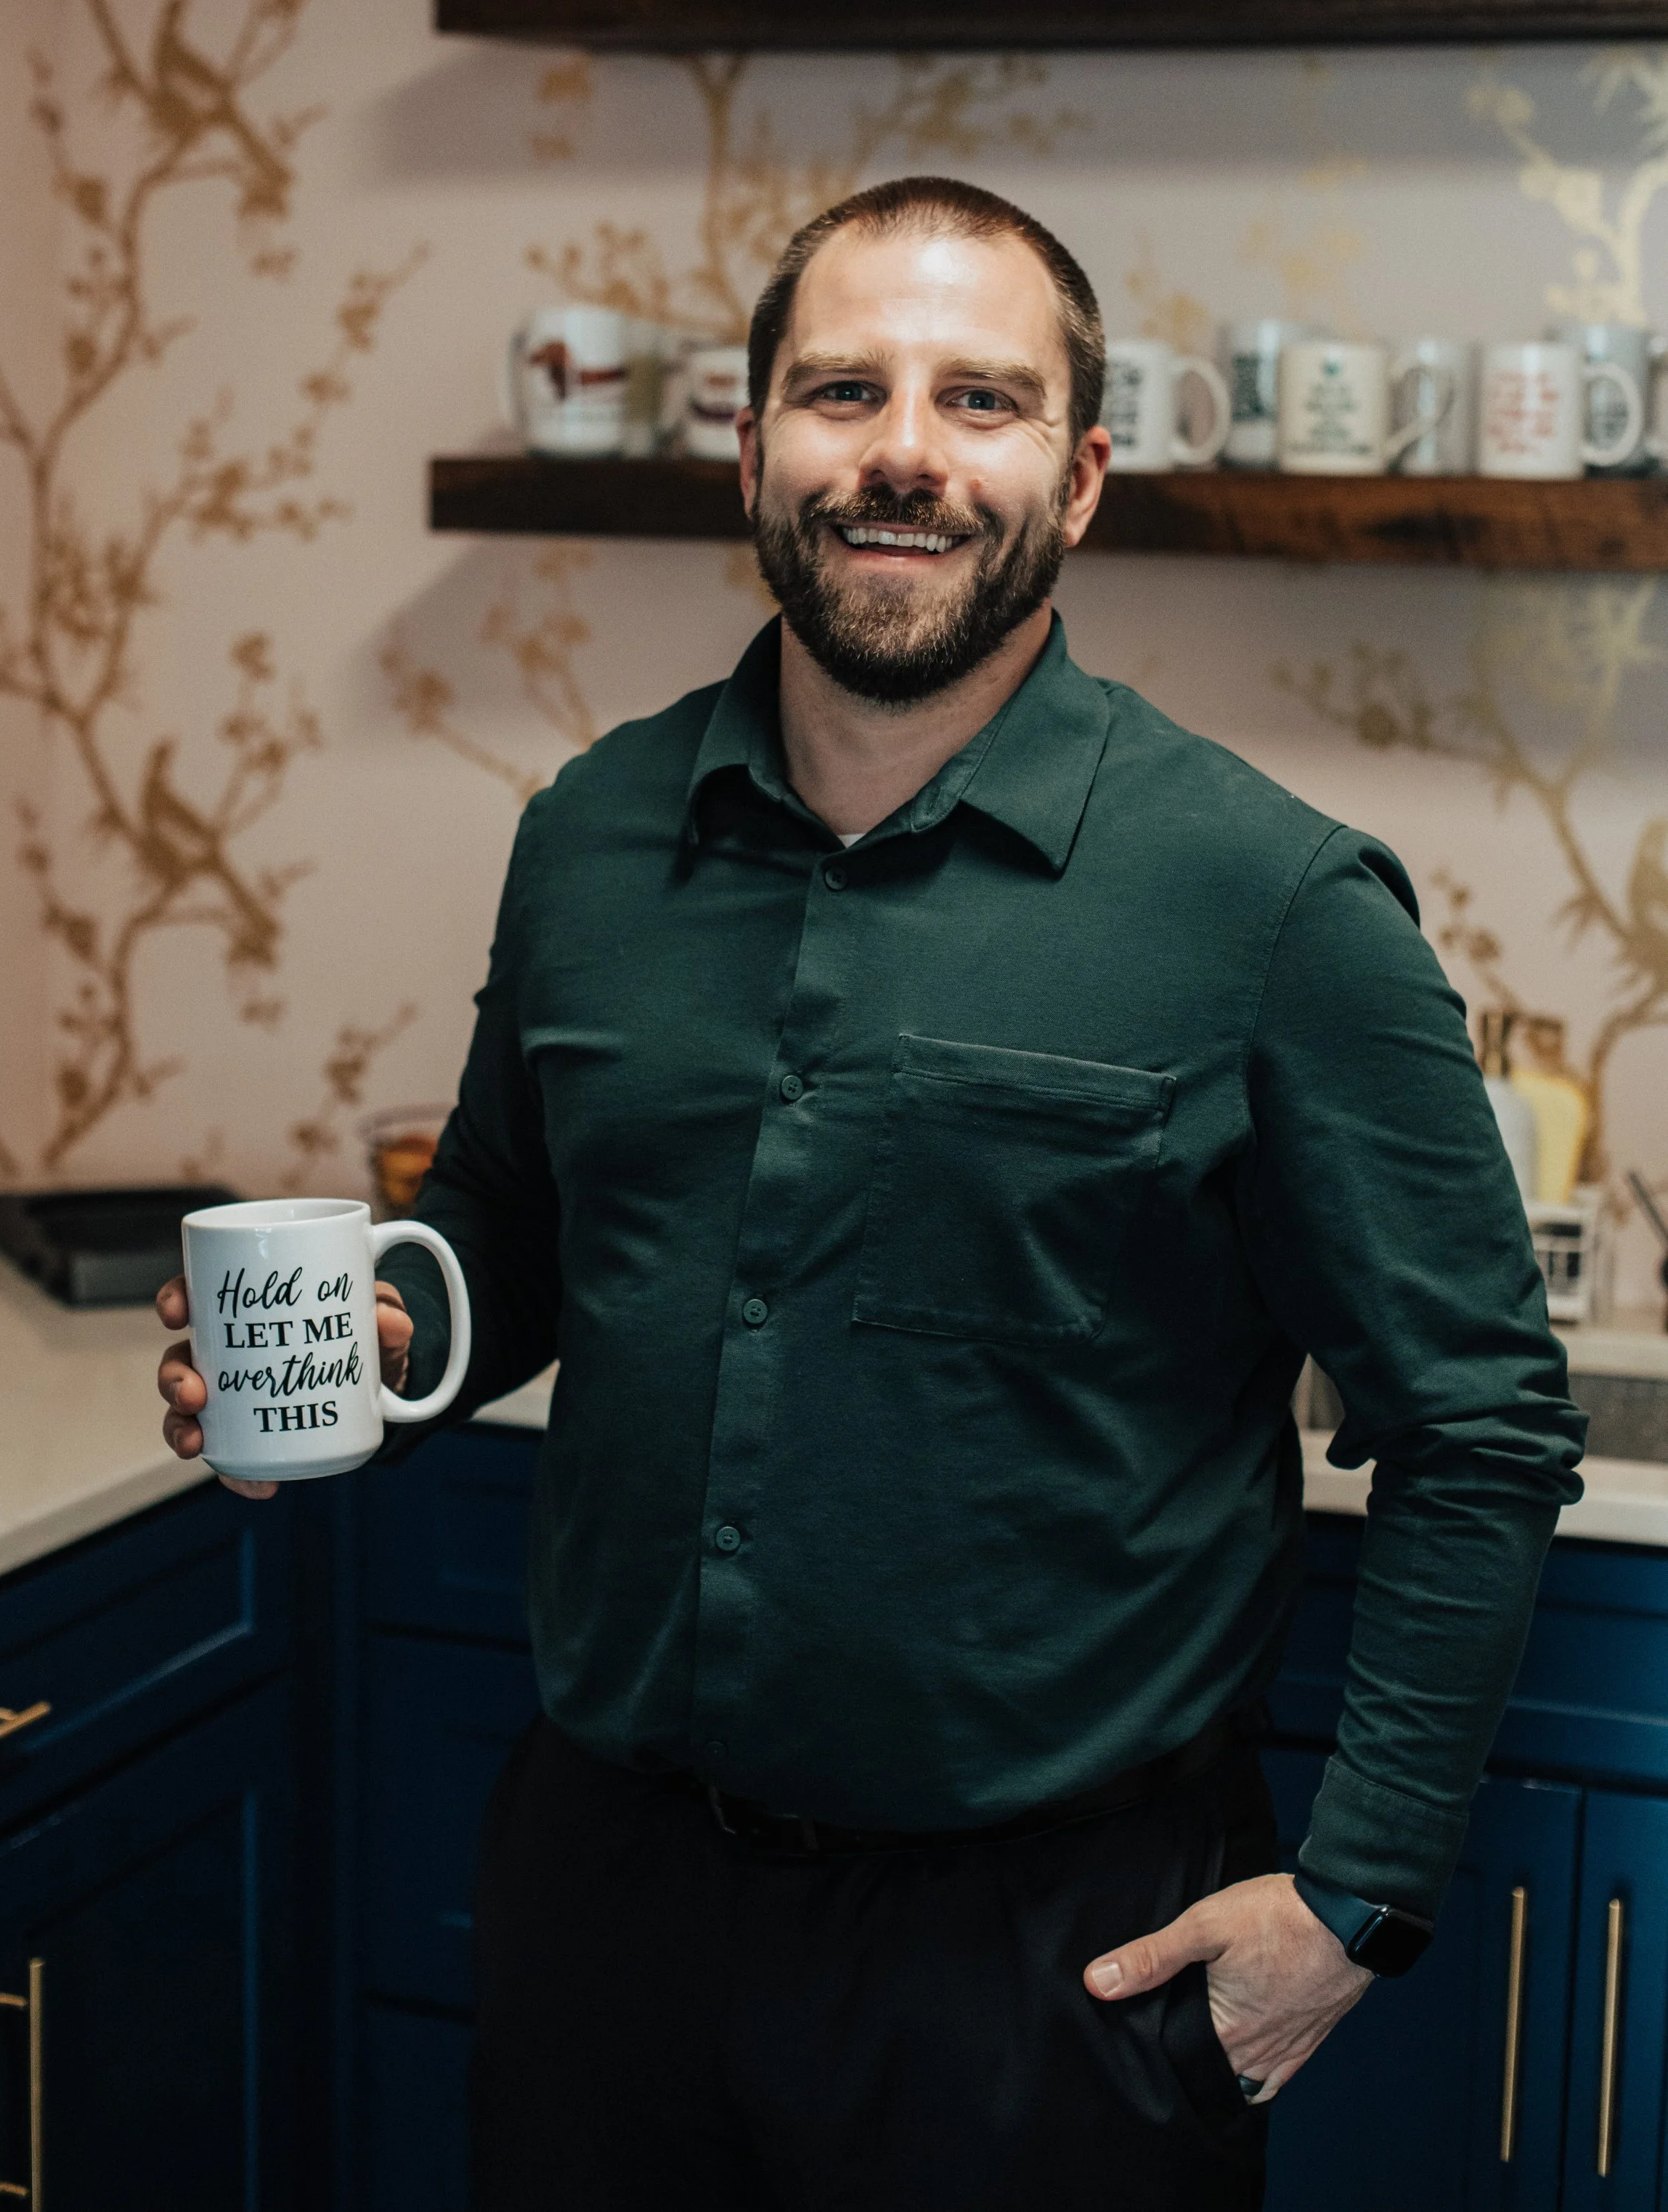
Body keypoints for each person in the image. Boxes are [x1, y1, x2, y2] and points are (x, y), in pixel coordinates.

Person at [158, 176, 1584, 2211]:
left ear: (1078, 479)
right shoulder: (588, 832)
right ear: (754, 455)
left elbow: (1479, 1420)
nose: (901, 451)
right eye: (842, 390)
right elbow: (508, 1223)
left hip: (1045, 1972)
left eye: (979, 399)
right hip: (604, 1912)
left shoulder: (1270, 904)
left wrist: (1353, 1896)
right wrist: (386, 1338)